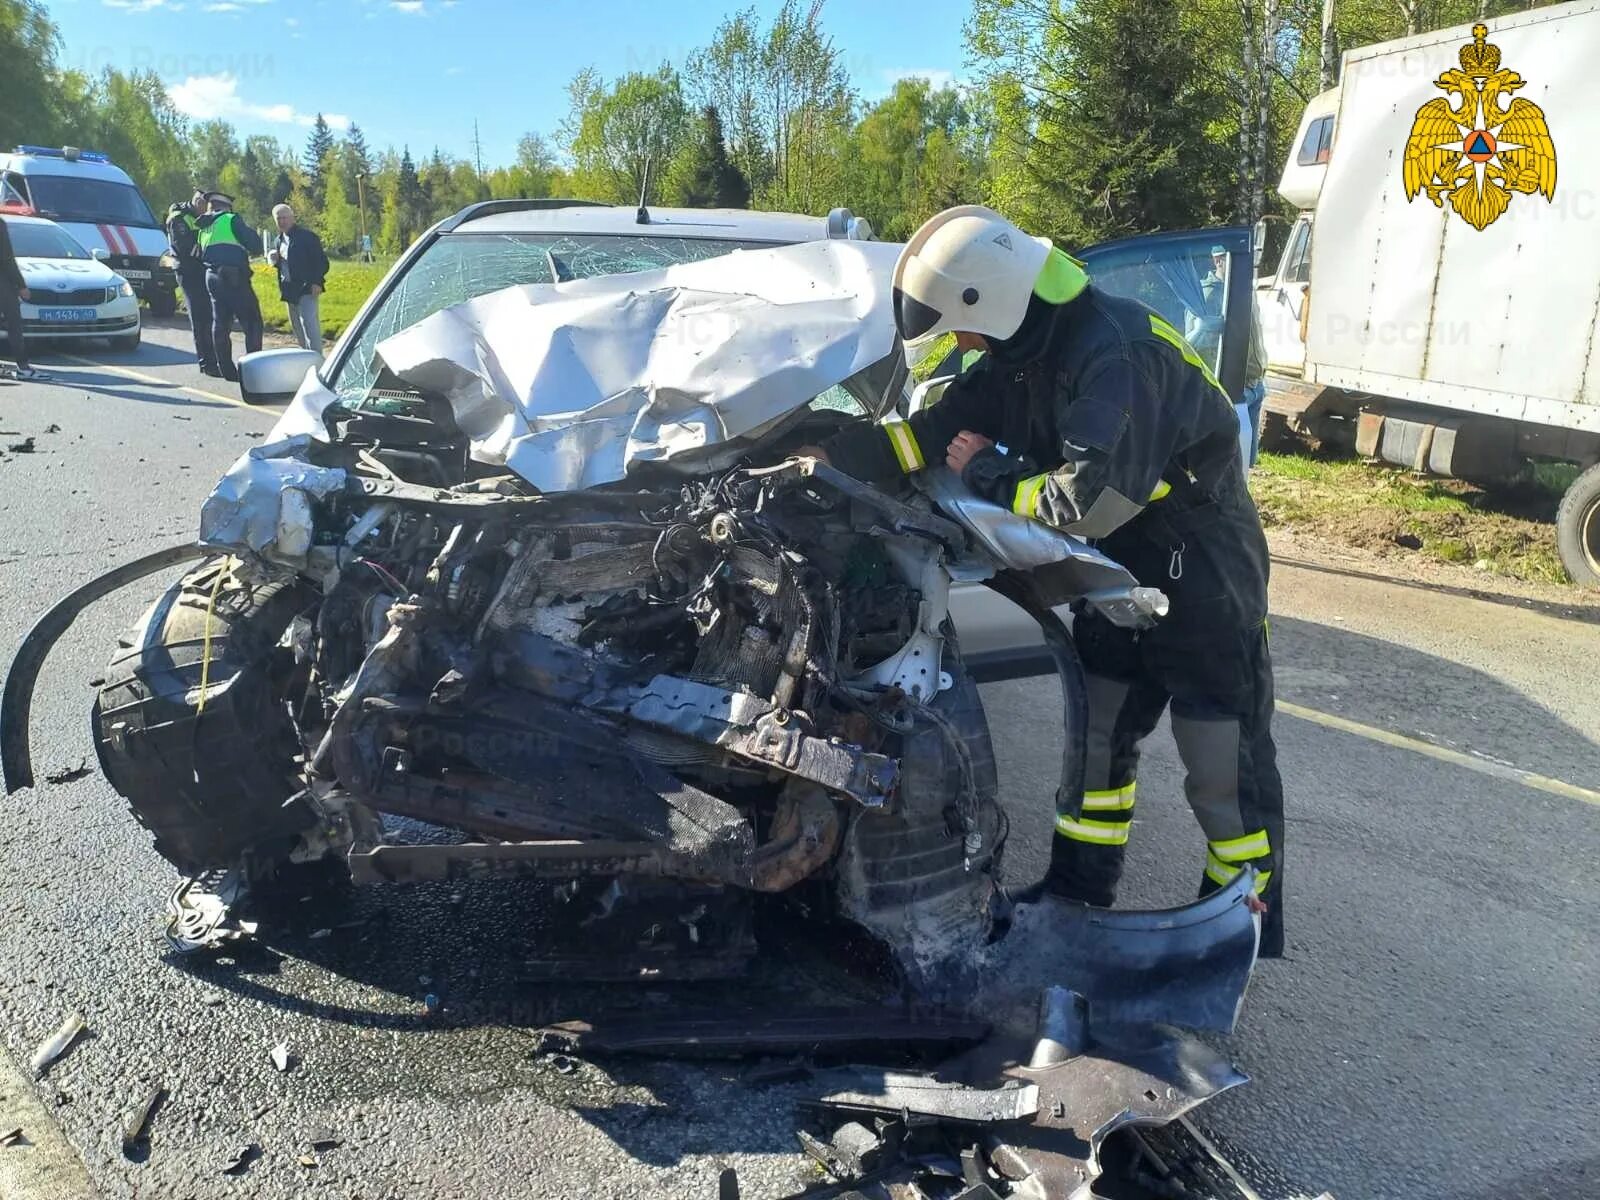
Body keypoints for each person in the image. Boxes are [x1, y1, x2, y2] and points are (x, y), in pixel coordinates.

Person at [812, 206, 1285, 956]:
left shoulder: (1116, 357)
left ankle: (1236, 929)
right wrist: (824, 459)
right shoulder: (1020, 354)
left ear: (988, 301)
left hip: (1203, 578)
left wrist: (990, 471)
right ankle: (1075, 900)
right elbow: (932, 433)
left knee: (1221, 768)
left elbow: (1086, 502)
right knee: (1099, 747)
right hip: (1119, 574)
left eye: (961, 328)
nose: (960, 345)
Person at [195, 191, 264, 383]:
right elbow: (256, 245)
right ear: (227, 207)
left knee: (221, 323)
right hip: (233, 277)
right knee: (252, 322)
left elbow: (201, 253)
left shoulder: (204, 226)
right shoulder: (230, 220)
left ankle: (227, 369)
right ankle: (253, 369)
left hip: (211, 277)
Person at [164, 191, 220, 376]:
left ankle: (213, 360)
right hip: (188, 272)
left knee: (210, 315)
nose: (206, 208)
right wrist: (208, 248)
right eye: (203, 203)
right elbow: (186, 248)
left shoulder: (206, 217)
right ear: (197, 201)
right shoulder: (179, 218)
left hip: (205, 271)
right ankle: (206, 362)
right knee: (199, 317)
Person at [266, 203, 329, 354]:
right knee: (297, 328)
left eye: (285, 218)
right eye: (278, 218)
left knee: (309, 326)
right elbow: (286, 264)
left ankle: (317, 360)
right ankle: (305, 358)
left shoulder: (307, 237)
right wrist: (275, 260)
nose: (282, 221)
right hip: (289, 289)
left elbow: (322, 263)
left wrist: (317, 282)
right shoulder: (278, 240)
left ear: (292, 218)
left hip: (307, 287)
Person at [0, 217, 44, 381]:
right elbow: (6, 258)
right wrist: (21, 285)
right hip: (3, 283)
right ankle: (23, 366)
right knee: (14, 323)